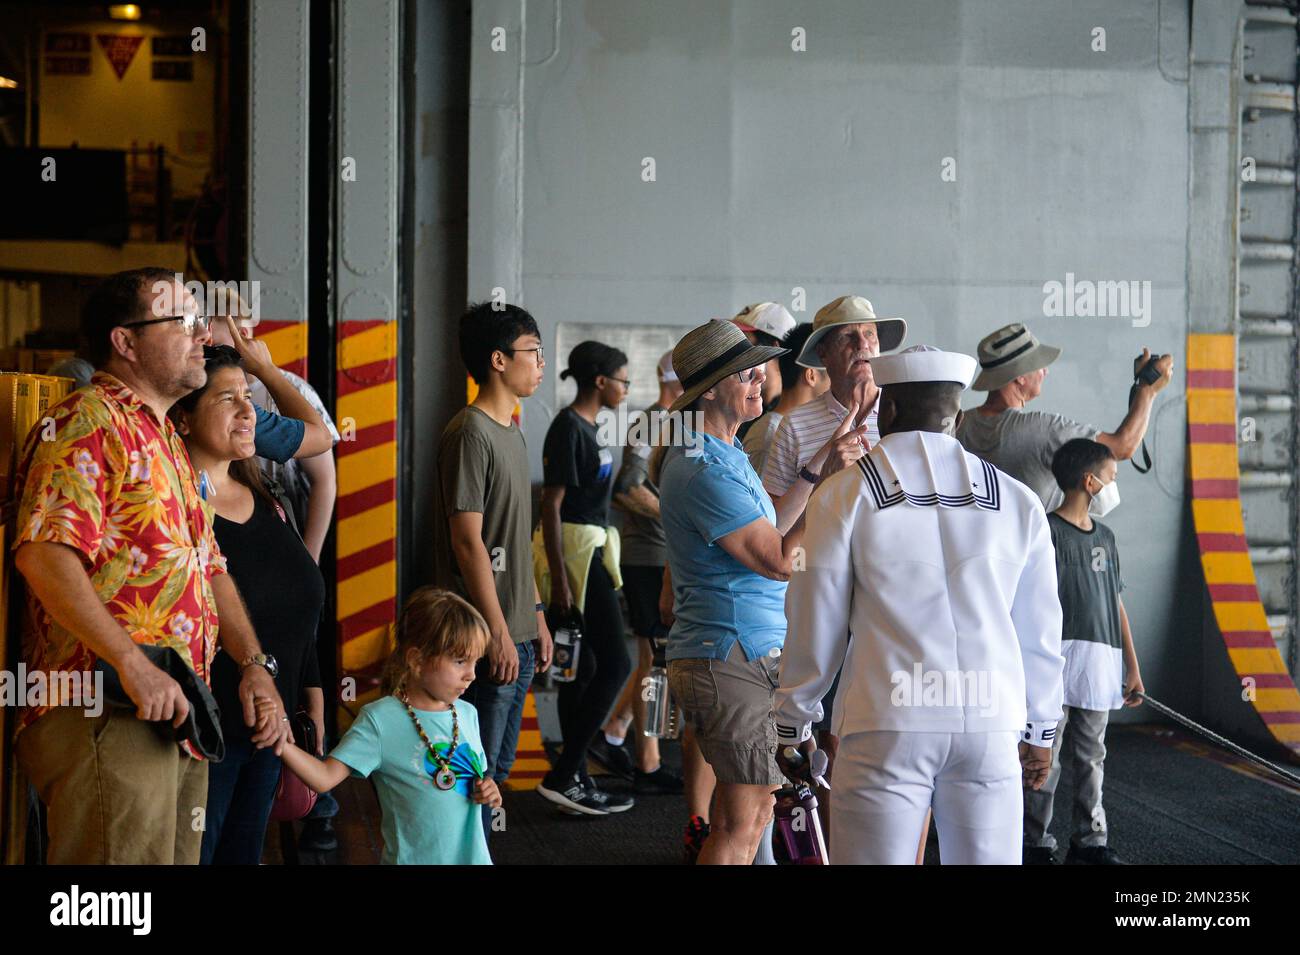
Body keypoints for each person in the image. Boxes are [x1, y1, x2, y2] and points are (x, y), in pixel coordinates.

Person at [11, 268, 290, 865]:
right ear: (125, 341)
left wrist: (253, 664)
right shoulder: (87, 422)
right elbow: (44, 553)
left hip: (172, 709)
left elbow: (209, 564)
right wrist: (132, 664)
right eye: (182, 321)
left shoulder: (162, 435)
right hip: (107, 705)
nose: (200, 335)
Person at [774, 345, 1066, 865]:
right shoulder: (1018, 500)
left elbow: (814, 619)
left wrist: (794, 722)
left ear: (886, 410)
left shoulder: (845, 495)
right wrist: (1042, 728)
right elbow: (1039, 630)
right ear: (954, 414)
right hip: (991, 720)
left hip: (888, 719)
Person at [659, 319, 841, 865]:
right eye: (748, 373)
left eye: (760, 370)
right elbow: (781, 560)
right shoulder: (702, 467)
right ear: (710, 389)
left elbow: (774, 530)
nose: (762, 379)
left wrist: (817, 470)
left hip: (735, 654)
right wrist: (833, 489)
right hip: (731, 656)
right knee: (742, 825)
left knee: (750, 816)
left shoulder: (725, 451)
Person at [172, 344, 326, 865]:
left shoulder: (266, 499)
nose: (248, 413)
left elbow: (299, 605)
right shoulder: (177, 508)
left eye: (250, 399)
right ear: (185, 419)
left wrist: (312, 693)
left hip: (272, 729)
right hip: (206, 734)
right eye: (227, 399)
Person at [436, 301, 553, 838]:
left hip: (518, 630)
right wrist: (499, 633)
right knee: (473, 778)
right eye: (532, 351)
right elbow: (468, 543)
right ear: (498, 360)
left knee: (495, 774)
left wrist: (534, 616)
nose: (542, 363)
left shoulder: (512, 431)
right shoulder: (471, 432)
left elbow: (513, 539)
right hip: (488, 637)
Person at [278, 588, 499, 864]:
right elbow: (324, 777)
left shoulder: (468, 714)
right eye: (459, 661)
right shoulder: (380, 720)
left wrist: (487, 789)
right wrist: (281, 742)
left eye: (475, 661)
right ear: (417, 660)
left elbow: (473, 780)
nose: (471, 674)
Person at [1023, 438, 1144, 865]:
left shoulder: (1107, 539)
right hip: (1054, 664)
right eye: (1111, 477)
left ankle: (1090, 841)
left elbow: (1116, 601)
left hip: (1099, 665)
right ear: (1091, 482)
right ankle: (1033, 841)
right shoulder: (1046, 531)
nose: (1113, 485)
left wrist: (1132, 666)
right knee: (1045, 758)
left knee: (1092, 757)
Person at [534, 341, 635, 815]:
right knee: (616, 664)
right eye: (623, 380)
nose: (626, 389)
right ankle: (565, 770)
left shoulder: (595, 426)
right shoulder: (567, 427)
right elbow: (551, 507)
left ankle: (573, 779)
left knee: (584, 668)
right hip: (574, 553)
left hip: (594, 547)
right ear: (600, 381)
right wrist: (561, 578)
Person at [588, 349, 685, 795]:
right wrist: (677, 516)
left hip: (661, 553)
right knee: (656, 658)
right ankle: (647, 761)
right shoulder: (656, 420)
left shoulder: (675, 420)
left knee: (653, 656)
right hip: (649, 555)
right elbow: (627, 486)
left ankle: (614, 729)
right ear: (676, 380)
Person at [956, 323, 1174, 512]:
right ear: (1020, 377)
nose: (1045, 372)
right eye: (1038, 365)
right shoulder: (1041, 429)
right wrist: (1148, 390)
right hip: (1033, 557)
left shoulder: (958, 424)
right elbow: (1122, 446)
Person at [742, 323, 829, 478]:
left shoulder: (784, 429)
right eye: (832, 371)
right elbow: (765, 502)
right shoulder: (772, 435)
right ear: (811, 376)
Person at [731, 302, 796, 441]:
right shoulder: (736, 405)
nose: (734, 352)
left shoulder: (788, 423)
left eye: (744, 343)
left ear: (774, 350)